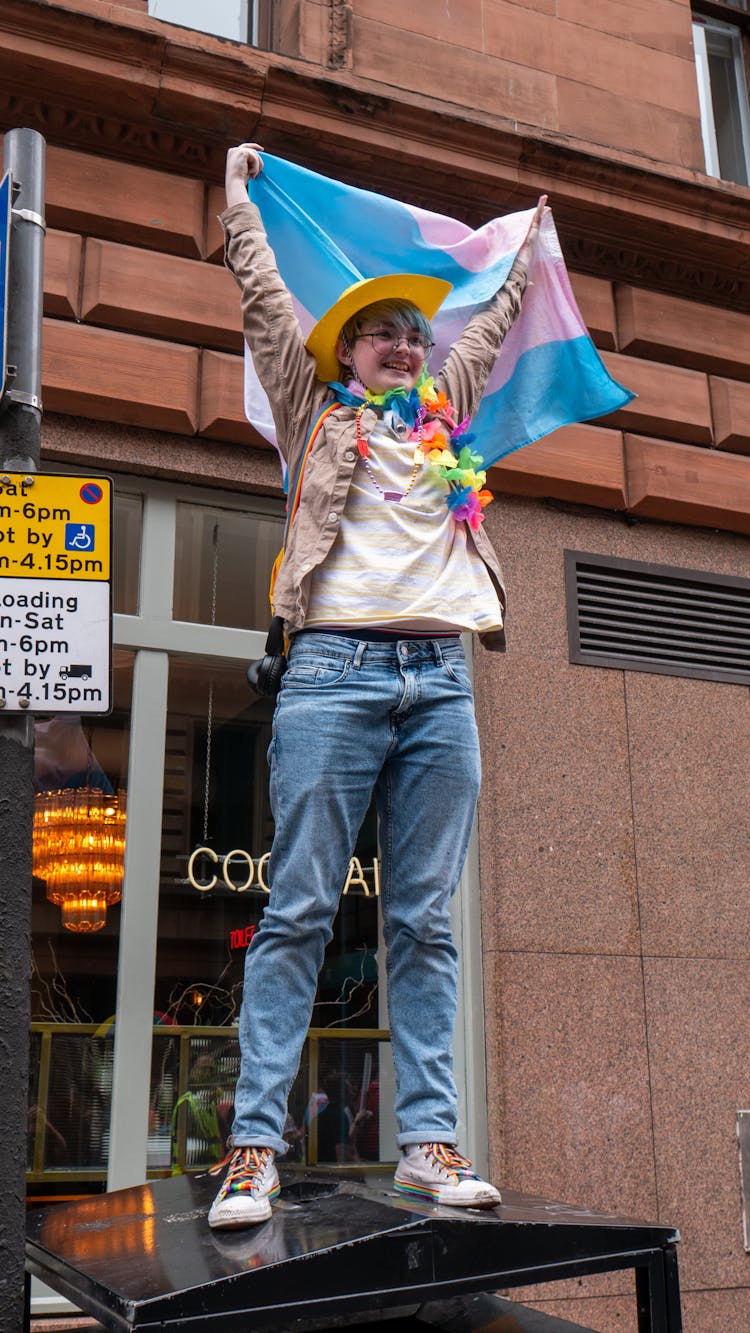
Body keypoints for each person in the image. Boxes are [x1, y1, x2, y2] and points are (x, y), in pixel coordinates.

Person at [208, 142, 546, 1230]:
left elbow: (486, 332)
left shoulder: (441, 410)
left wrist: (527, 250)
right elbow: (263, 293)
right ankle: (254, 1148)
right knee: (300, 908)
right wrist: (237, 200)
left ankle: (429, 1146)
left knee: (426, 924)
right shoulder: (314, 410)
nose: (405, 343)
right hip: (334, 672)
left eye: (414, 331)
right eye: (383, 331)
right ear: (345, 349)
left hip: (441, 677)